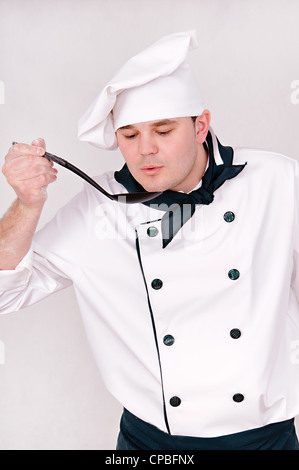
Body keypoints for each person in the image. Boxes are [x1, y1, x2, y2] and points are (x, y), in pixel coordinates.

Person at [0, 30, 299, 451]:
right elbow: (4, 292)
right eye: (130, 135)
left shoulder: (278, 181)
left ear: (201, 126)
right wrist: (27, 204)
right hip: (150, 445)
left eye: (163, 130)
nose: (146, 152)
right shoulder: (97, 207)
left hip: (264, 440)